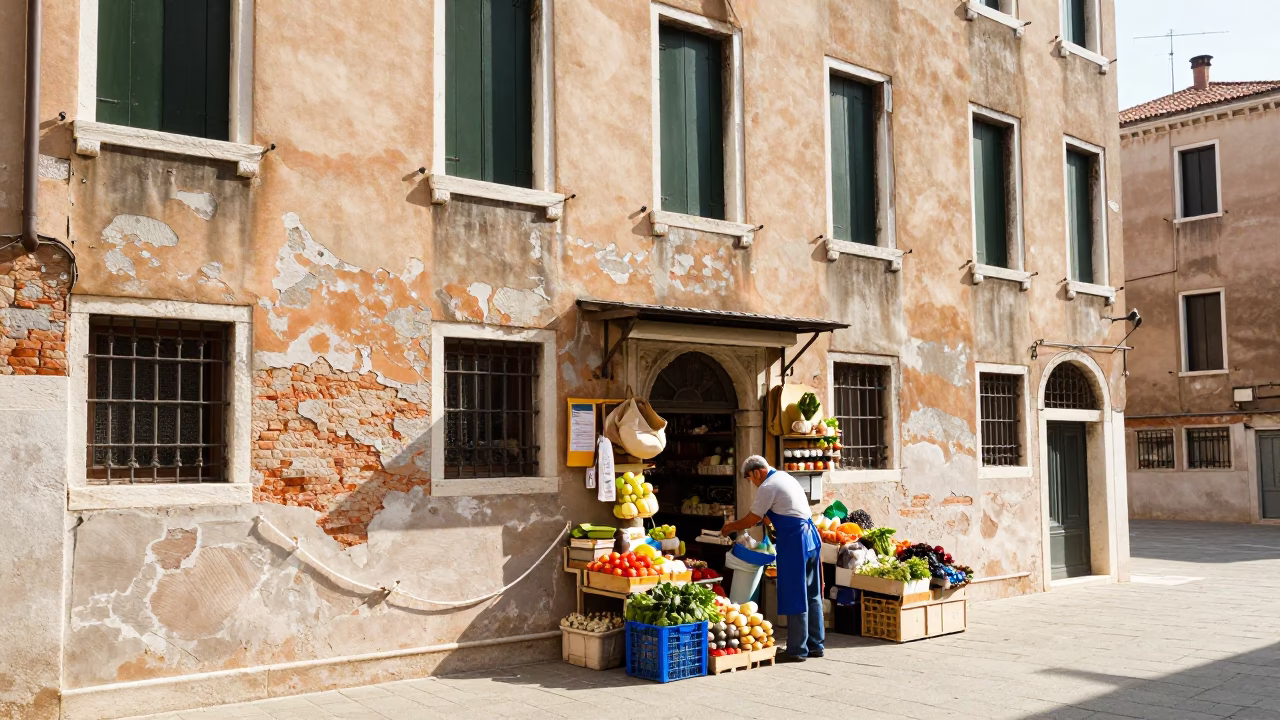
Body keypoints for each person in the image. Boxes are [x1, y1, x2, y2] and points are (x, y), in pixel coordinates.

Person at [720, 455, 823, 663]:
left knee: (796, 592)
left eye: (751, 478)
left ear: (756, 472)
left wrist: (730, 526)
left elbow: (752, 518)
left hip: (795, 540)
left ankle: (797, 649)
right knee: (811, 593)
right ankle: (815, 644)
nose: (753, 483)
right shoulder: (785, 477)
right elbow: (782, 510)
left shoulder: (767, 486)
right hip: (811, 537)